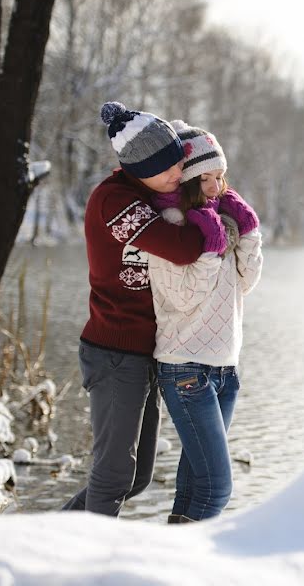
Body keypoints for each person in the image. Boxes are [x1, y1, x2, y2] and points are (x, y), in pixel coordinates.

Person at [62, 102, 227, 516]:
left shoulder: (153, 194)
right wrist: (205, 223)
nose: (178, 174)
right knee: (114, 474)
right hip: (115, 348)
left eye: (178, 163)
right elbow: (183, 249)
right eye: (168, 167)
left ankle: (44, 539)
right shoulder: (115, 201)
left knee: (137, 478)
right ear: (139, 167)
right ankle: (77, 568)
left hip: (145, 351)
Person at [147, 120, 263, 523]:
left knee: (195, 486)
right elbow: (181, 299)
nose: (217, 188)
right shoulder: (169, 227)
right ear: (189, 180)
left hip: (224, 370)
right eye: (207, 178)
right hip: (185, 366)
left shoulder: (222, 223)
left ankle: (169, 566)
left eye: (220, 177)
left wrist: (247, 234)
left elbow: (245, 284)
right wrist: (210, 251)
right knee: (217, 487)